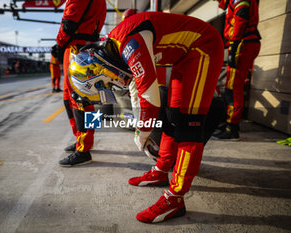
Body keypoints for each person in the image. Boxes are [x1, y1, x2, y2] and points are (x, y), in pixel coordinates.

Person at [68, 12, 224, 223]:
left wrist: (143, 133)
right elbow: (136, 89)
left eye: (105, 85)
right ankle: (162, 169)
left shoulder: (129, 43)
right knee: (172, 117)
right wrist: (139, 128)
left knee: (189, 126)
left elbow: (149, 95)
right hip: (185, 56)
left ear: (98, 71)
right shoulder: (116, 46)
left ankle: (175, 198)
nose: (112, 87)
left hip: (203, 47)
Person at [51, 0, 106, 166]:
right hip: (79, 47)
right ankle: (82, 140)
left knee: (80, 99)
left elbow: (69, 22)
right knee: (71, 98)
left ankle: (84, 148)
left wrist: (60, 44)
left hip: (78, 47)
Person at [213, 0, 261, 140]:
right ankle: (230, 123)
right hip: (244, 42)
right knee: (234, 87)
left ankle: (231, 128)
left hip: (242, 43)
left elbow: (241, 15)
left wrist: (234, 45)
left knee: (233, 89)